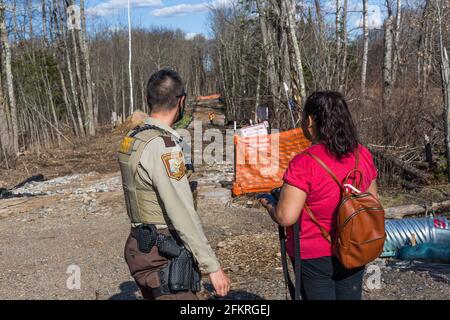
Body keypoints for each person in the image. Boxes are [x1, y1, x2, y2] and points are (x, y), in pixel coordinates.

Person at [118, 69, 230, 300]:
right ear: (181, 101)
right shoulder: (164, 147)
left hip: (140, 244)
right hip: (161, 251)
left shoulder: (133, 138)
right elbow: (181, 212)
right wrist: (212, 266)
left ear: (149, 99)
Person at [259, 91, 379, 300]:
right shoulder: (362, 154)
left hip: (314, 255)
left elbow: (286, 216)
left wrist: (270, 204)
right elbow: (372, 203)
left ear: (311, 120)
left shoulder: (304, 163)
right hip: (355, 246)